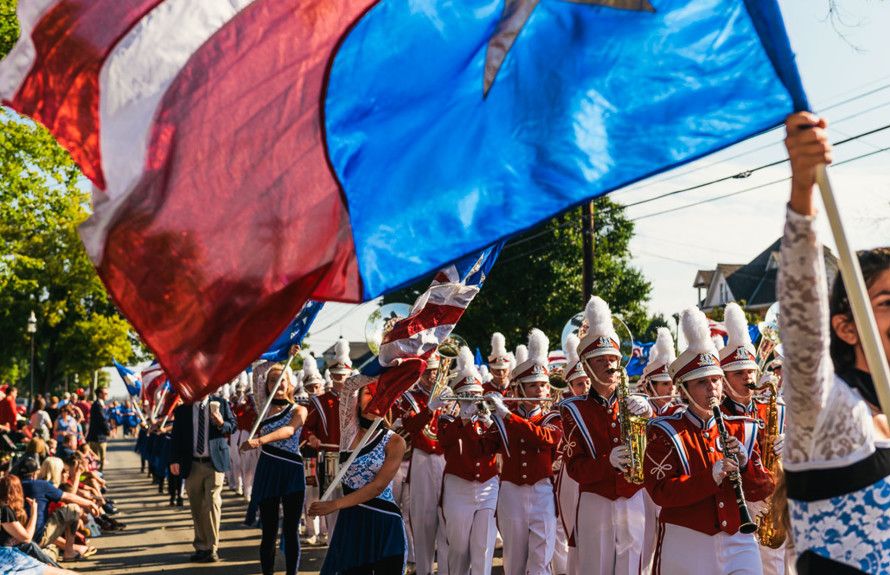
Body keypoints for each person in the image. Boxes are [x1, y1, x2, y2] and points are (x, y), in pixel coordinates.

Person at [778, 111, 890, 574]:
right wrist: (803, 190)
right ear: (847, 328)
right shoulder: (825, 408)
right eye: (887, 301)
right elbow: (802, 325)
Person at [644, 306, 774, 574]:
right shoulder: (666, 431)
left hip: (739, 536)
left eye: (716, 380)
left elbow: (763, 488)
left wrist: (746, 463)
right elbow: (660, 492)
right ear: (685, 390)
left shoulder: (743, 428)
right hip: (688, 539)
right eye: (702, 382)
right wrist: (710, 476)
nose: (712, 388)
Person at [559, 296, 652, 575]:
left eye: (613, 359)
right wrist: (606, 461)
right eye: (602, 361)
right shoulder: (572, 409)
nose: (610, 366)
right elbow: (575, 468)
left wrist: (650, 418)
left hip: (633, 499)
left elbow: (655, 454)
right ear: (586, 366)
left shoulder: (636, 402)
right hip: (596, 501)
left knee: (631, 569)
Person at [309, 367, 408, 574]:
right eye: (369, 393)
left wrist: (334, 505)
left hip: (385, 523)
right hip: (352, 524)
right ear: (358, 401)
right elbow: (350, 386)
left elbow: (378, 487)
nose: (373, 399)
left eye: (379, 394)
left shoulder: (395, 442)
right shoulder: (348, 433)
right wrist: (386, 368)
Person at [487, 328, 563, 575]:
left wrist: (506, 416)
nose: (540, 391)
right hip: (511, 493)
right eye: (533, 386)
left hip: (542, 492)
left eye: (543, 385)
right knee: (514, 561)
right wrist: (469, 421)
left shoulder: (553, 416)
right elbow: (482, 449)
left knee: (541, 560)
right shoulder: (503, 419)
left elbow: (544, 437)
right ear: (519, 390)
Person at [434, 346, 500, 575]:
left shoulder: (488, 418)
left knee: (483, 547)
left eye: (476, 395)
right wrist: (462, 420)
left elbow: (499, 445)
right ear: (459, 397)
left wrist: (492, 423)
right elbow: (444, 441)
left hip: (488, 486)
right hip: (458, 488)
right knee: (459, 550)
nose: (473, 400)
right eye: (468, 395)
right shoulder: (447, 418)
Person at [241, 363, 308, 575]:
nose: (278, 384)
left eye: (282, 380)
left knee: (291, 530)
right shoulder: (263, 407)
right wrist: (283, 355)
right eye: (273, 380)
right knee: (268, 531)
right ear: (267, 385)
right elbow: (257, 373)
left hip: (291, 471)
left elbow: (288, 431)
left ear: (290, 385)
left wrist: (260, 440)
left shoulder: (299, 409)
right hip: (268, 469)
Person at [393, 353, 449, 575]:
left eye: (435, 371)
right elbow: (412, 427)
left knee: (447, 521)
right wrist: (429, 410)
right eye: (427, 372)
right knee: (423, 519)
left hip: (446, 459)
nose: (432, 376)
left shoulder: (448, 395)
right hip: (422, 458)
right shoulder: (409, 398)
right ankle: (424, 569)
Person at [169, 389, 237, 563]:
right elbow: (176, 436)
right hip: (191, 463)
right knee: (197, 506)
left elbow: (232, 426)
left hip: (213, 462)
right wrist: (174, 459)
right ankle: (201, 546)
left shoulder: (221, 403)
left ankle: (212, 547)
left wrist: (221, 423)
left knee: (213, 502)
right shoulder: (184, 409)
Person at [303, 344, 346, 542]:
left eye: (344, 374)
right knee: (329, 499)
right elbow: (307, 428)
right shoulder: (320, 401)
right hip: (328, 456)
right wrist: (311, 437)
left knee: (352, 499)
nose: (341, 379)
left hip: (353, 457)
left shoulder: (357, 399)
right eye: (337, 375)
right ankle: (327, 538)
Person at [18, 457, 100, 562]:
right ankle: (69, 551)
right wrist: (89, 503)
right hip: (36, 537)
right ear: (34, 474)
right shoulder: (42, 485)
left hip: (16, 537)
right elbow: (68, 497)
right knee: (73, 509)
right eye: (63, 471)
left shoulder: (12, 485)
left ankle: (70, 548)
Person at [0, 475, 79, 575]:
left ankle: (54, 567)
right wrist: (34, 512)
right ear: (16, 490)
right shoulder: (4, 510)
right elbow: (27, 538)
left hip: (9, 552)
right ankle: (55, 567)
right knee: (30, 545)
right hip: (6, 556)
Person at [85, 388, 111, 471]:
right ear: (100, 394)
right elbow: (102, 419)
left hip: (99, 435)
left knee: (100, 458)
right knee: (98, 458)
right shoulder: (97, 405)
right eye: (105, 393)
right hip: (98, 436)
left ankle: (99, 473)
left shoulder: (100, 404)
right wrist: (108, 430)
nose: (107, 395)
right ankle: (98, 474)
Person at [483, 332, 513, 396]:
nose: (501, 373)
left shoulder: (516, 388)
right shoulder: (483, 389)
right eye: (497, 370)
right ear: (491, 370)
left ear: (508, 369)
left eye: (504, 370)